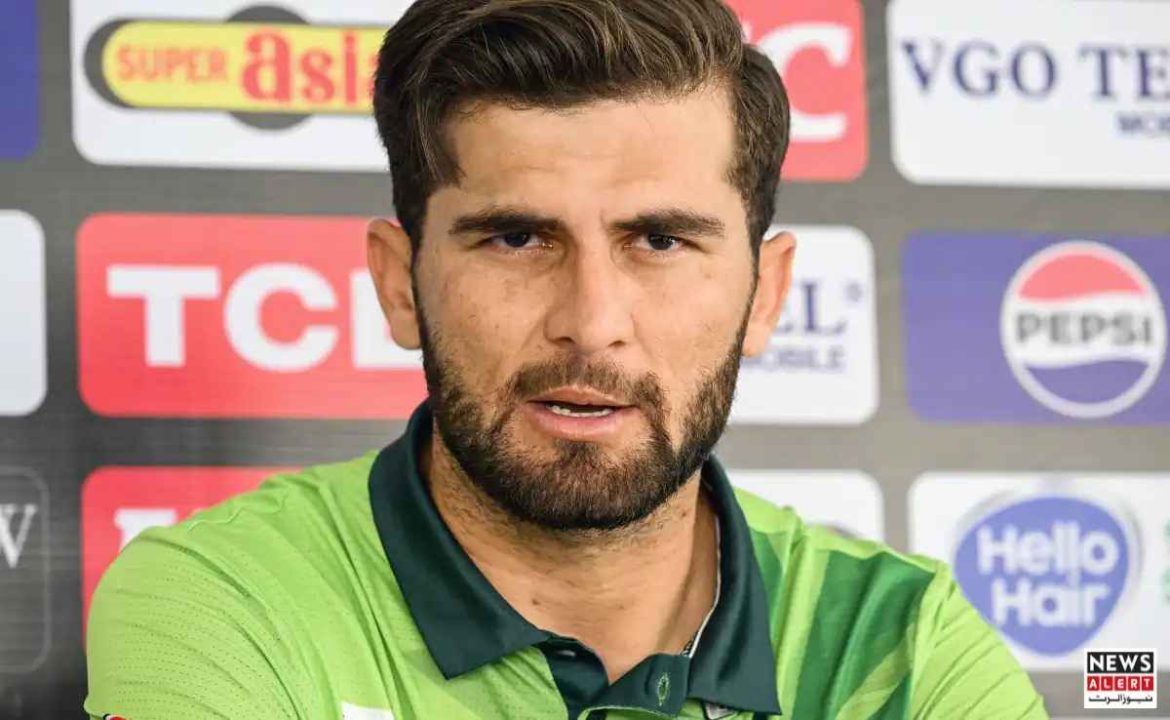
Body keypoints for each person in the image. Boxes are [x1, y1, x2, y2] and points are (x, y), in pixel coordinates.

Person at [84, 1, 1049, 718]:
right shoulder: (227, 598)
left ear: (766, 292)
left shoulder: (902, 639)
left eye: (661, 241)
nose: (591, 324)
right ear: (397, 283)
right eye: (515, 239)